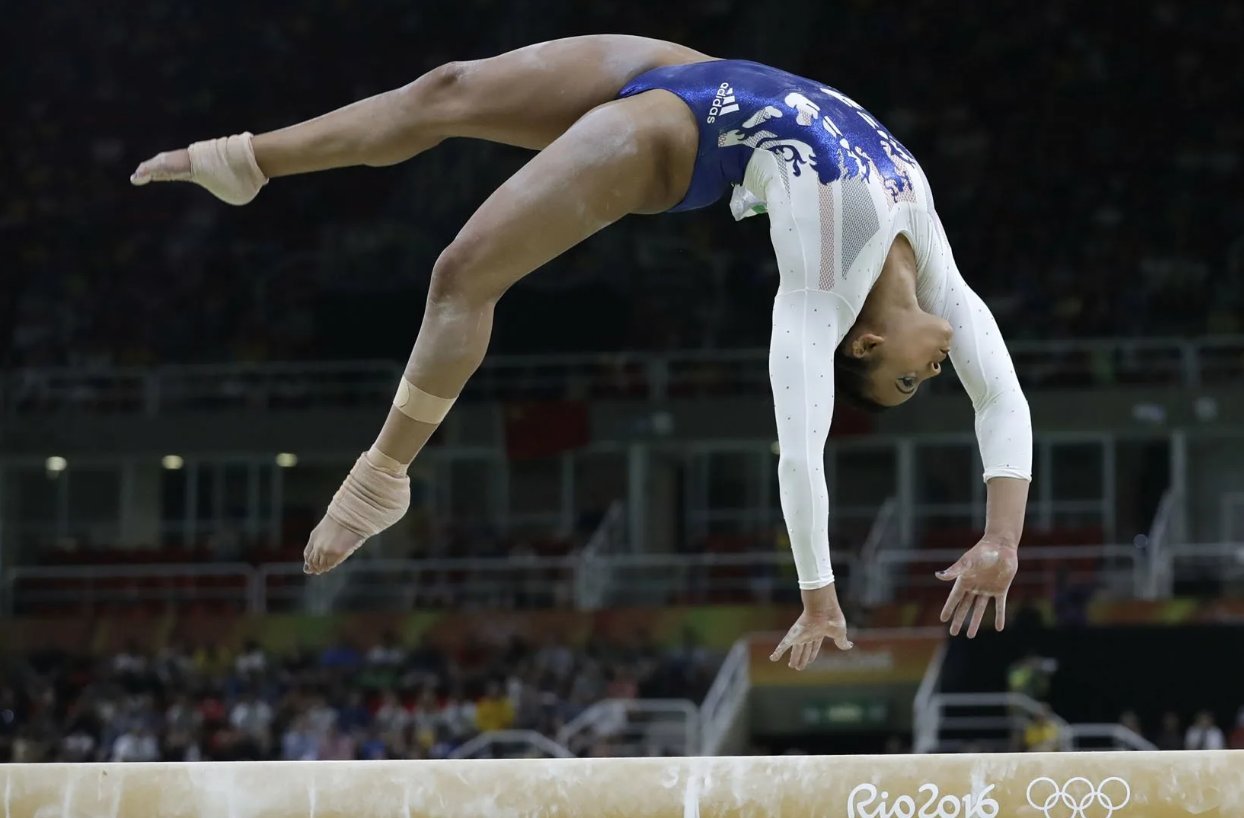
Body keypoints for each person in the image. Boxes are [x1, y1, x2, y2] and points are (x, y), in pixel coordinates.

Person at [131, 35, 1031, 669]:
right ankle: (249, 160)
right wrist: (1000, 538)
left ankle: (382, 478)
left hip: (681, 140)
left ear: (862, 342)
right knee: (445, 89)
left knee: (461, 272)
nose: (937, 369)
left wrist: (819, 593)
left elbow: (801, 451)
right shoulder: (943, 278)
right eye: (919, 380)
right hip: (690, 70)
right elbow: (1005, 401)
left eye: (910, 380)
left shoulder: (818, 296)